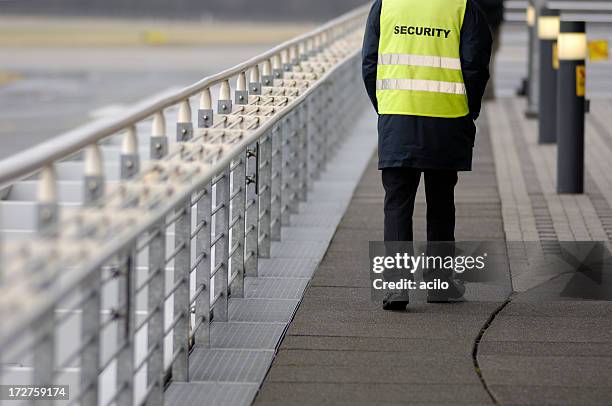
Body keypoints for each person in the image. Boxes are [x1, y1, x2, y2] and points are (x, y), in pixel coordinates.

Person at [362, 0, 492, 310]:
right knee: (441, 202)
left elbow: (369, 63)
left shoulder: (386, 6)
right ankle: (440, 284)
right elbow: (475, 66)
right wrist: (467, 110)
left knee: (396, 204)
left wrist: (386, 108)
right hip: (447, 118)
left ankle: (395, 289)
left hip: (398, 117)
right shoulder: (463, 7)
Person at [474, 0, 504, 98]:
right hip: (494, 19)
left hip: (479, 18)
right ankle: (487, 91)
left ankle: (482, 90)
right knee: (490, 57)